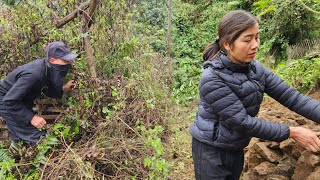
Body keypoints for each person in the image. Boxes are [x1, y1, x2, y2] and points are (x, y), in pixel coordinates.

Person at [189, 10, 320, 180]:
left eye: (257, 37)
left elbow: (293, 98)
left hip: (236, 146)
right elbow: (242, 122)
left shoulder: (255, 69)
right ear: (227, 44)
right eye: (247, 39)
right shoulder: (212, 78)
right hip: (211, 151)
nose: (255, 44)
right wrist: (292, 132)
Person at [0, 41, 78, 154]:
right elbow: (9, 101)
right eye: (65, 60)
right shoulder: (34, 74)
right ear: (52, 60)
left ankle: (13, 161)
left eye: (68, 60)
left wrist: (63, 89)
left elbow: (46, 88)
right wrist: (31, 117)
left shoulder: (47, 69)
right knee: (37, 137)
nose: (68, 63)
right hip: (5, 100)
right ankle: (49, 163)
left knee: (18, 137)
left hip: (19, 100)